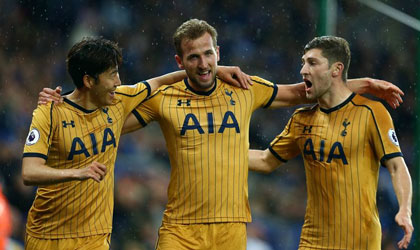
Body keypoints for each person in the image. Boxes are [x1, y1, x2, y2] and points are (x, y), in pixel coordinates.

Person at [38, 20, 404, 249]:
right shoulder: (163, 98)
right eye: (193, 57)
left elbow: (303, 91)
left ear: (218, 52)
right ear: (180, 63)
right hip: (179, 231)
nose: (203, 63)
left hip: (231, 229)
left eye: (209, 54)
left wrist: (364, 84)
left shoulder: (244, 87)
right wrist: (66, 101)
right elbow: (109, 113)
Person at [22, 37, 250, 250]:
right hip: (46, 235)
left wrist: (216, 71)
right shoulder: (49, 113)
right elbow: (30, 172)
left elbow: (162, 81)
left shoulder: (120, 100)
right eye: (112, 75)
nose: (118, 82)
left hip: (95, 236)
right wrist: (78, 172)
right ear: (89, 81)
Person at [248, 36, 413, 250]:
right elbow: (265, 160)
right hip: (313, 241)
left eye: (313, 63)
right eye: (303, 62)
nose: (303, 70)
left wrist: (405, 210)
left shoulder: (371, 112)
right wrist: (220, 152)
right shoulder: (301, 119)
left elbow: (397, 166)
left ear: (336, 69)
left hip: (360, 242)